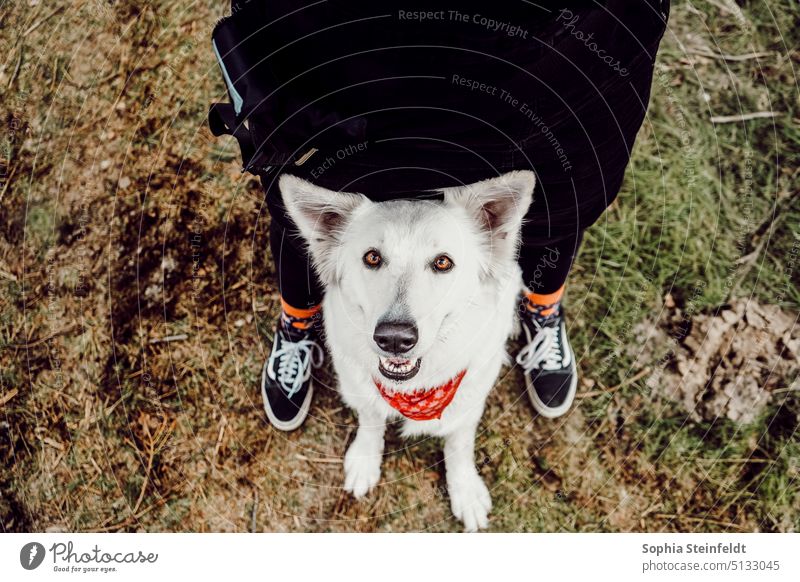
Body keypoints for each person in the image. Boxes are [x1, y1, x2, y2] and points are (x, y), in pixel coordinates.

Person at [209, 0, 670, 430]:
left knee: (558, 189)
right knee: (321, 198)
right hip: (358, 43)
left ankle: (542, 308)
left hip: (539, 38)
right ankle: (298, 320)